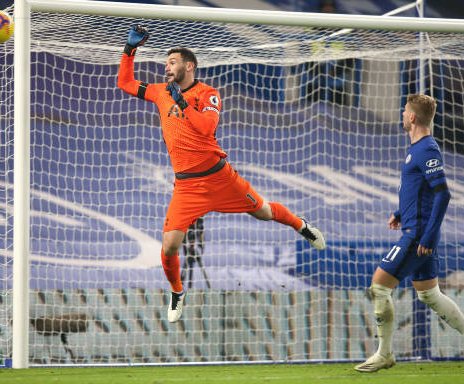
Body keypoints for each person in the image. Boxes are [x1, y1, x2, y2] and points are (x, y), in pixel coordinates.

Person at [117, 26, 325, 323]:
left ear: (189, 66)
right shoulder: (161, 92)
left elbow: (205, 128)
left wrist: (182, 102)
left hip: (220, 177)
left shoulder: (208, 94)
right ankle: (177, 291)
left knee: (264, 212)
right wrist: (129, 50)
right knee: (169, 247)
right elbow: (124, 83)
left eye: (172, 62)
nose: (166, 67)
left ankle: (301, 225)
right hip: (187, 187)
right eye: (165, 63)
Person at [354, 94, 464, 373]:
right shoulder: (416, 148)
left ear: (413, 117)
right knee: (429, 295)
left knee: (379, 287)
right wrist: (400, 212)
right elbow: (423, 192)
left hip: (418, 235)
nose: (402, 114)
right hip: (416, 226)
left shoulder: (427, 149)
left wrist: (428, 236)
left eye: (405, 111)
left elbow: (443, 194)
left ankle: (385, 354)